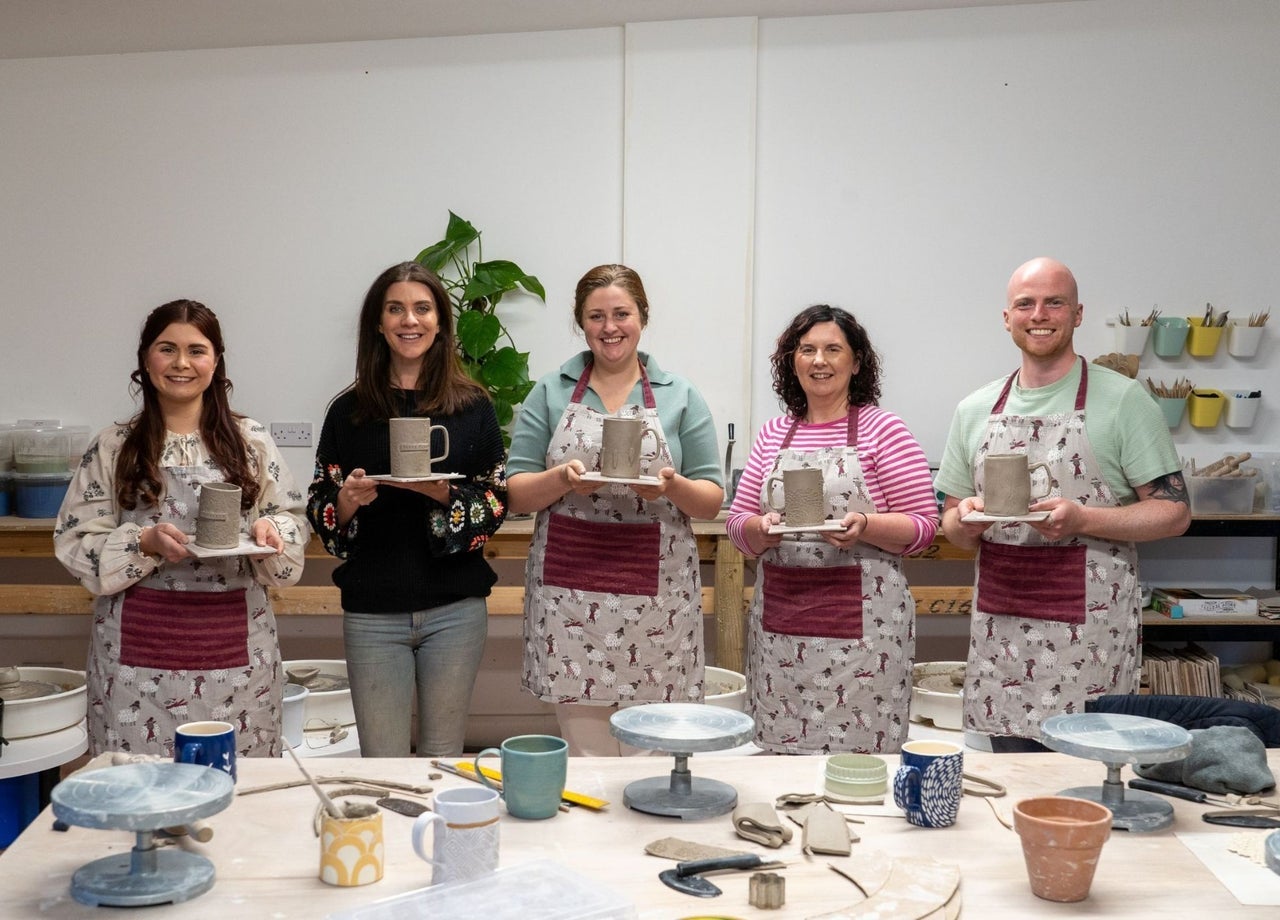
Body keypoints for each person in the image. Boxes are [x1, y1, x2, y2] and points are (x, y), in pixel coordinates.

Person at [935, 257, 1191, 751]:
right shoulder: (974, 410)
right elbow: (952, 523)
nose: (1039, 315)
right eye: (1025, 304)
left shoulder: (1124, 401)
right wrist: (964, 524)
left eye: (1054, 302)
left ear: (1077, 314)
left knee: (1091, 774)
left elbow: (1174, 512)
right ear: (1006, 317)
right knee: (1013, 779)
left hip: (1089, 640)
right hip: (1003, 638)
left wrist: (1083, 518)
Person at [53, 300, 309, 758]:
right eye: (167, 349)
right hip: (136, 664)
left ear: (216, 361)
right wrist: (144, 542)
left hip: (237, 661)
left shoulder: (251, 441)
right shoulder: (113, 446)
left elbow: (292, 520)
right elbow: (76, 538)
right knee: (140, 783)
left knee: (236, 783)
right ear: (145, 358)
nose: (181, 363)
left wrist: (271, 531)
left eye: (196, 350)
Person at [507, 264, 723, 755]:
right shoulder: (552, 390)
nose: (610, 327)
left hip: (657, 597)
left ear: (642, 316)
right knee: (588, 755)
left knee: (654, 750)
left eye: (621, 314)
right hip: (570, 592)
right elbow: (516, 492)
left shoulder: (679, 394)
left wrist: (670, 487)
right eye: (596, 316)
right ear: (580, 322)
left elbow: (711, 496)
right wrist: (563, 480)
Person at [307, 261, 507, 758]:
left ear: (440, 322)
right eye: (395, 309)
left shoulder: (473, 407)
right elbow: (320, 504)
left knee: (443, 758)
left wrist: (444, 496)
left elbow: (496, 501)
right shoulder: (348, 411)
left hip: (455, 610)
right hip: (372, 612)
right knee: (383, 762)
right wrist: (346, 502)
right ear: (378, 323)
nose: (409, 320)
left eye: (422, 308)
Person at [726, 305, 939, 755]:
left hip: (866, 639)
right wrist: (761, 530)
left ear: (856, 362)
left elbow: (923, 527)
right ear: (792, 362)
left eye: (832, 349)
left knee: (862, 764)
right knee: (782, 762)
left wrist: (866, 526)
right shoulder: (772, 435)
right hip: (782, 634)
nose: (819, 360)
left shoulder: (884, 430)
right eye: (807, 350)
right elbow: (737, 524)